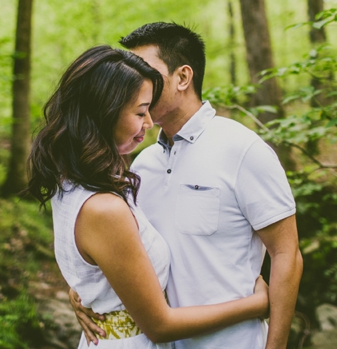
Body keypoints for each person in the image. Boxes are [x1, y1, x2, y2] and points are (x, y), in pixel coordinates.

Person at [71, 24, 303, 349]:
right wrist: (83, 289)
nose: (134, 84)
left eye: (147, 73)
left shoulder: (242, 150)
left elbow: (286, 255)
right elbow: (121, 251)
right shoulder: (141, 165)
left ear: (183, 77)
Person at [27, 45, 270, 349]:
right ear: (104, 112)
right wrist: (257, 304)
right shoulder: (104, 208)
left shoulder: (73, 182)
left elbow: (95, 265)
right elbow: (160, 326)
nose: (149, 123)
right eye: (141, 112)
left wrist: (85, 291)